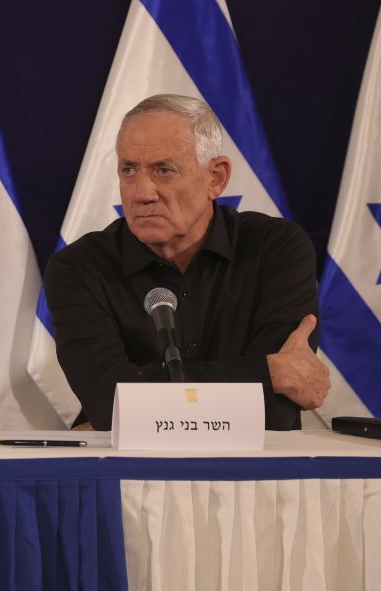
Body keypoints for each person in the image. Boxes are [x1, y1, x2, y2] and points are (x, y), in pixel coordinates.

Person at [43, 94, 329, 431]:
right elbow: (110, 404)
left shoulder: (275, 250)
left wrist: (146, 403)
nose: (142, 192)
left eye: (164, 170)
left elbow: (276, 411)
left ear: (216, 178)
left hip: (255, 475)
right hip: (135, 476)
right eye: (129, 170)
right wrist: (269, 373)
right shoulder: (79, 268)